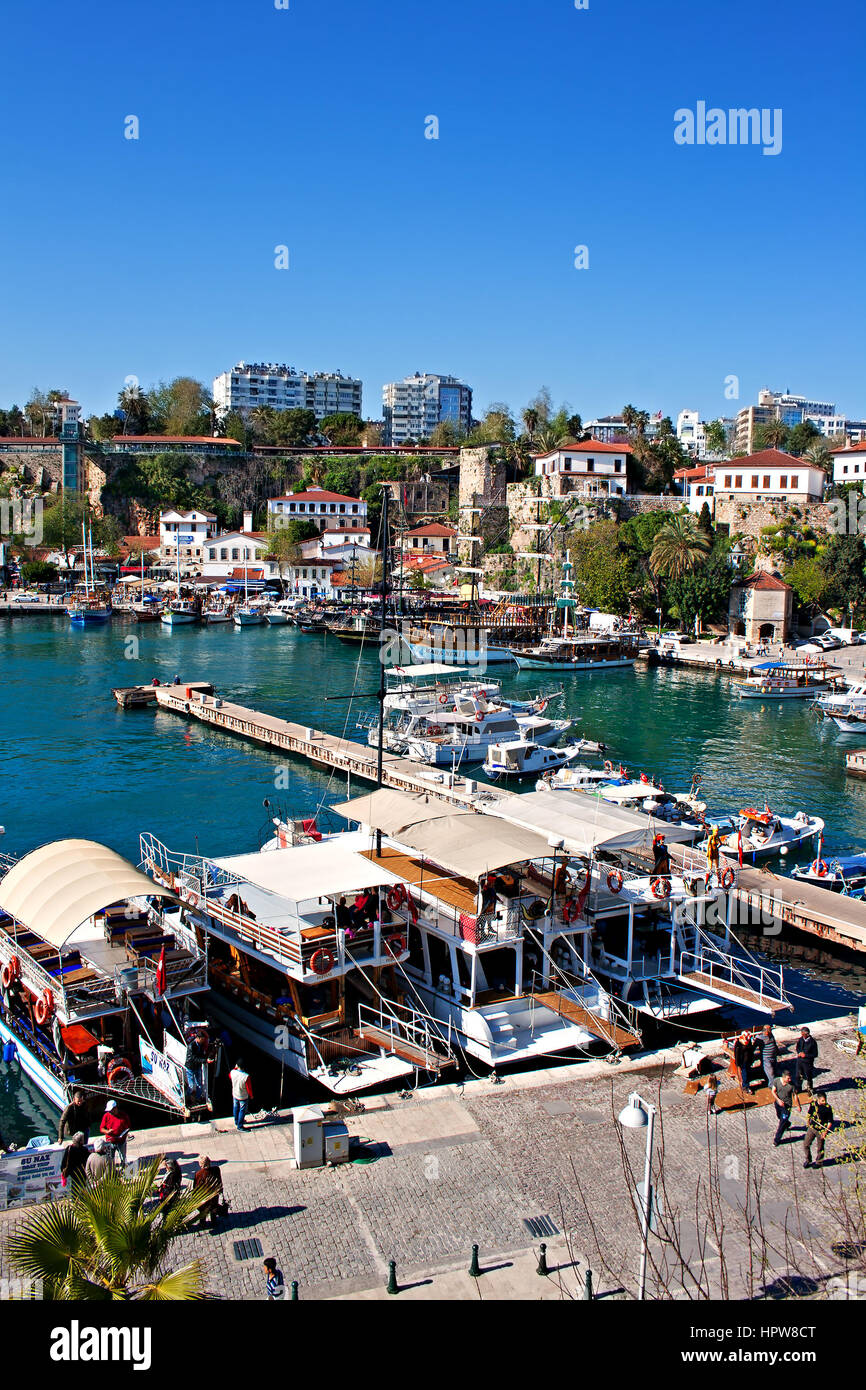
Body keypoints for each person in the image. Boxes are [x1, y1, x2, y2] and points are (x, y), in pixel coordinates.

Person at [803, 1091, 834, 1169]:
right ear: (818, 1099)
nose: (824, 1102)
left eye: (825, 1100)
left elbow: (830, 1121)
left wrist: (825, 1131)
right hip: (812, 1128)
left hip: (821, 1130)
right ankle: (808, 1160)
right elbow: (809, 1114)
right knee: (806, 1144)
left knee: (820, 1147)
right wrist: (808, 1123)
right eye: (822, 1100)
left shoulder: (828, 1108)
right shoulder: (813, 1104)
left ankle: (819, 1162)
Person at [771, 1070, 802, 1147]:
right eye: (788, 1078)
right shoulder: (777, 1081)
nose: (790, 1080)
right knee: (779, 1116)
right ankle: (787, 1124)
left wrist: (798, 1105)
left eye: (790, 1078)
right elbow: (773, 1091)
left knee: (781, 1124)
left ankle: (776, 1140)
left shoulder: (792, 1085)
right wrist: (778, 1100)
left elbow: (795, 1095)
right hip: (778, 1104)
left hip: (787, 1106)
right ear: (783, 1077)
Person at [192, 1155, 224, 1227]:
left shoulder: (199, 1174)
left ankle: (203, 1223)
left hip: (204, 1196)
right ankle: (214, 1222)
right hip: (214, 1195)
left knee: (203, 1210)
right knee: (213, 1208)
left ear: (201, 1164)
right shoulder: (216, 1169)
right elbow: (219, 1180)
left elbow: (196, 1187)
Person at [99, 1100, 131, 1167]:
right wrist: (107, 1132)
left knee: (123, 1157)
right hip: (110, 1141)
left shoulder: (123, 1115)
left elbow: (128, 1127)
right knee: (110, 1159)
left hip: (121, 1141)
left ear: (115, 1108)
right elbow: (101, 1128)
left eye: (111, 1110)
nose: (110, 1112)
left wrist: (127, 1133)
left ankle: (123, 1169)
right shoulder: (106, 1116)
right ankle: (112, 1171)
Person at [229, 1059, 253, 1131]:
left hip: (235, 1094)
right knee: (242, 1110)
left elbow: (230, 1076)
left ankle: (236, 1121)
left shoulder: (233, 1072)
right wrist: (251, 1095)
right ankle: (240, 1126)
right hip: (243, 1096)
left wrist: (235, 1067)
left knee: (235, 1108)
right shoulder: (246, 1076)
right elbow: (249, 1088)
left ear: (237, 1066)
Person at [794, 1027, 818, 1092]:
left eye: (803, 1034)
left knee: (808, 1076)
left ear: (807, 1034)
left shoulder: (812, 1042)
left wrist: (805, 1055)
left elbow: (815, 1054)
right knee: (798, 1075)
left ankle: (810, 1089)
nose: (802, 1035)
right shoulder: (801, 1039)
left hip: (808, 1062)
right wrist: (799, 1052)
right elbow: (797, 1047)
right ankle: (798, 1088)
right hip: (800, 1061)